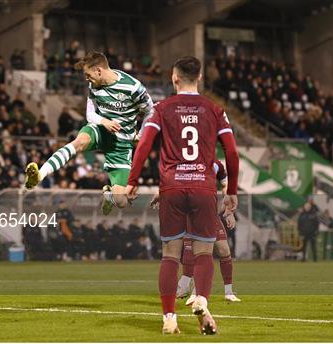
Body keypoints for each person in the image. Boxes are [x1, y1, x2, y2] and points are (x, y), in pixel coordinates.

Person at [126, 56, 239, 335]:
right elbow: (232, 153)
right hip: (203, 186)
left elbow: (143, 146)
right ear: (199, 78)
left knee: (170, 255)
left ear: (174, 78)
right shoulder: (216, 110)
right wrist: (231, 191)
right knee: (203, 251)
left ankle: (169, 318)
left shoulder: (161, 109)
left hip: (172, 187)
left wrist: (132, 180)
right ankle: (200, 299)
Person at [24, 51, 154, 215]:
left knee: (121, 201)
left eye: (88, 75)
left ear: (99, 71)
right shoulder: (94, 85)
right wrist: (104, 121)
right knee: (78, 142)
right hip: (100, 130)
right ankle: (39, 175)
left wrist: (142, 134)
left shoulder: (133, 87)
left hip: (121, 145)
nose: (86, 79)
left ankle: (109, 195)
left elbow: (151, 111)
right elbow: (90, 115)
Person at [174, 159, 241, 304]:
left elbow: (226, 186)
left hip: (211, 216)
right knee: (197, 253)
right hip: (190, 215)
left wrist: (229, 213)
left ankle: (228, 292)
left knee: (224, 250)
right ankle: (193, 290)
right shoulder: (183, 163)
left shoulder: (215, 164)